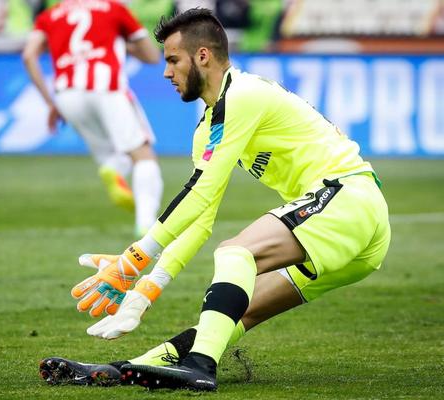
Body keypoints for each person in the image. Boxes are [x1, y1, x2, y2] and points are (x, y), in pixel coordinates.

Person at [44, 8, 391, 391]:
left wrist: (133, 259)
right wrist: (148, 288)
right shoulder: (209, 127)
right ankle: (126, 368)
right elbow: (200, 218)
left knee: (235, 253)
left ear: (203, 56)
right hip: (355, 234)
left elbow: (201, 191)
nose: (166, 72)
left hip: (347, 196)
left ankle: (200, 367)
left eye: (173, 60)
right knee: (235, 312)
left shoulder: (244, 94)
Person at [22, 0, 164, 236]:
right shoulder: (113, 8)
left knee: (115, 154)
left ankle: (113, 167)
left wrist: (50, 103)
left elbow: (29, 56)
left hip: (67, 95)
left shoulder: (50, 15)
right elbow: (152, 56)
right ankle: (146, 223)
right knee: (143, 155)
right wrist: (122, 44)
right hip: (106, 88)